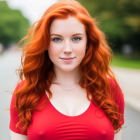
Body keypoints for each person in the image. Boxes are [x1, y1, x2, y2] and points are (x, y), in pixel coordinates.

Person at [9, 0, 125, 140]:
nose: (67, 49)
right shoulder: (26, 92)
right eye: (57, 39)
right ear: (45, 42)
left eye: (76, 38)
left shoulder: (109, 89)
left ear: (88, 41)